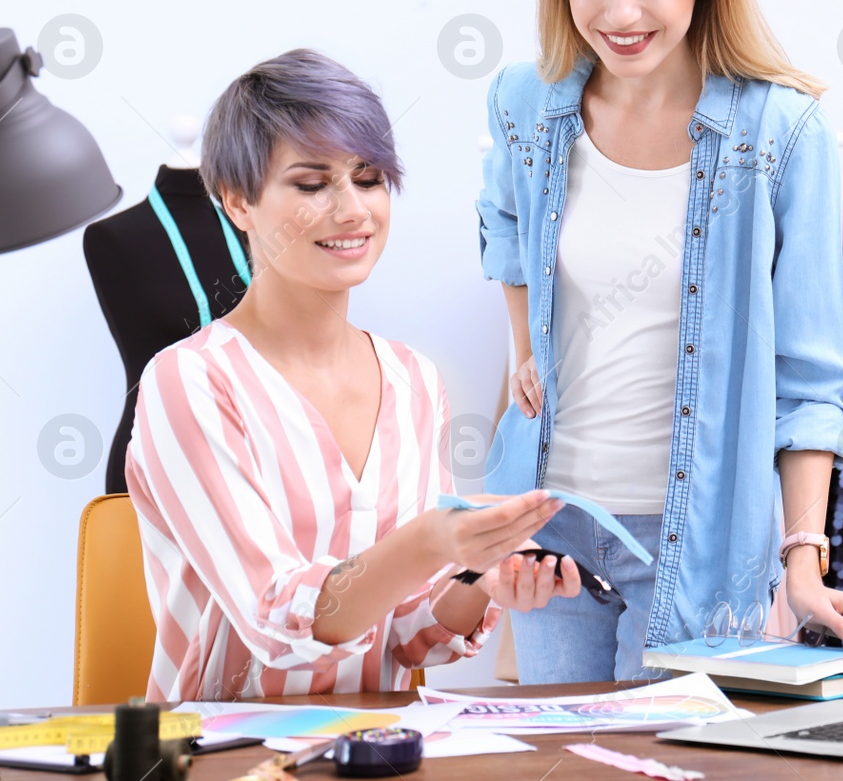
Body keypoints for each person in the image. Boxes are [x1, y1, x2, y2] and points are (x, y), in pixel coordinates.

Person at [476, 0, 843, 684]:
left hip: (698, 540)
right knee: (566, 767)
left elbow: (812, 375)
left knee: (679, 766)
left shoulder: (782, 132)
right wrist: (525, 344)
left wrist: (803, 560)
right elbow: (504, 227)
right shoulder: (524, 102)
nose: (619, 12)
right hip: (546, 525)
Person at [127, 49, 579, 700]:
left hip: (372, 754)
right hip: (225, 756)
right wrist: (430, 542)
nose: (352, 210)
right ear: (237, 200)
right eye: (312, 184)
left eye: (368, 179)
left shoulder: (413, 379)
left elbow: (406, 634)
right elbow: (275, 620)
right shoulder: (189, 383)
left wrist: (478, 577)